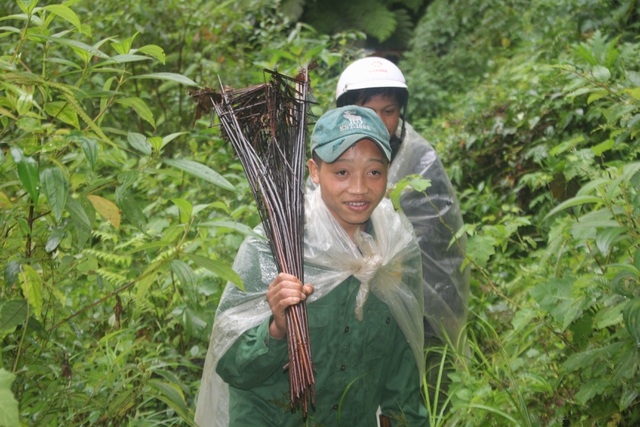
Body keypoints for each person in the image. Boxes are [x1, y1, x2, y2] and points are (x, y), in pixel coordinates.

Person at [195, 105, 429, 427]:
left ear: (389, 172)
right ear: (315, 171)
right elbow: (231, 363)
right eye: (342, 172)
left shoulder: (394, 251)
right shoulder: (274, 246)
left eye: (374, 172)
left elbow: (402, 374)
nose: (359, 188)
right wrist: (276, 329)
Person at [334, 57, 470, 352]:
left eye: (389, 111)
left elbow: (439, 243)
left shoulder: (418, 158)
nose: (379, 122)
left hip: (414, 298)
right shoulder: (329, 158)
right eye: (367, 112)